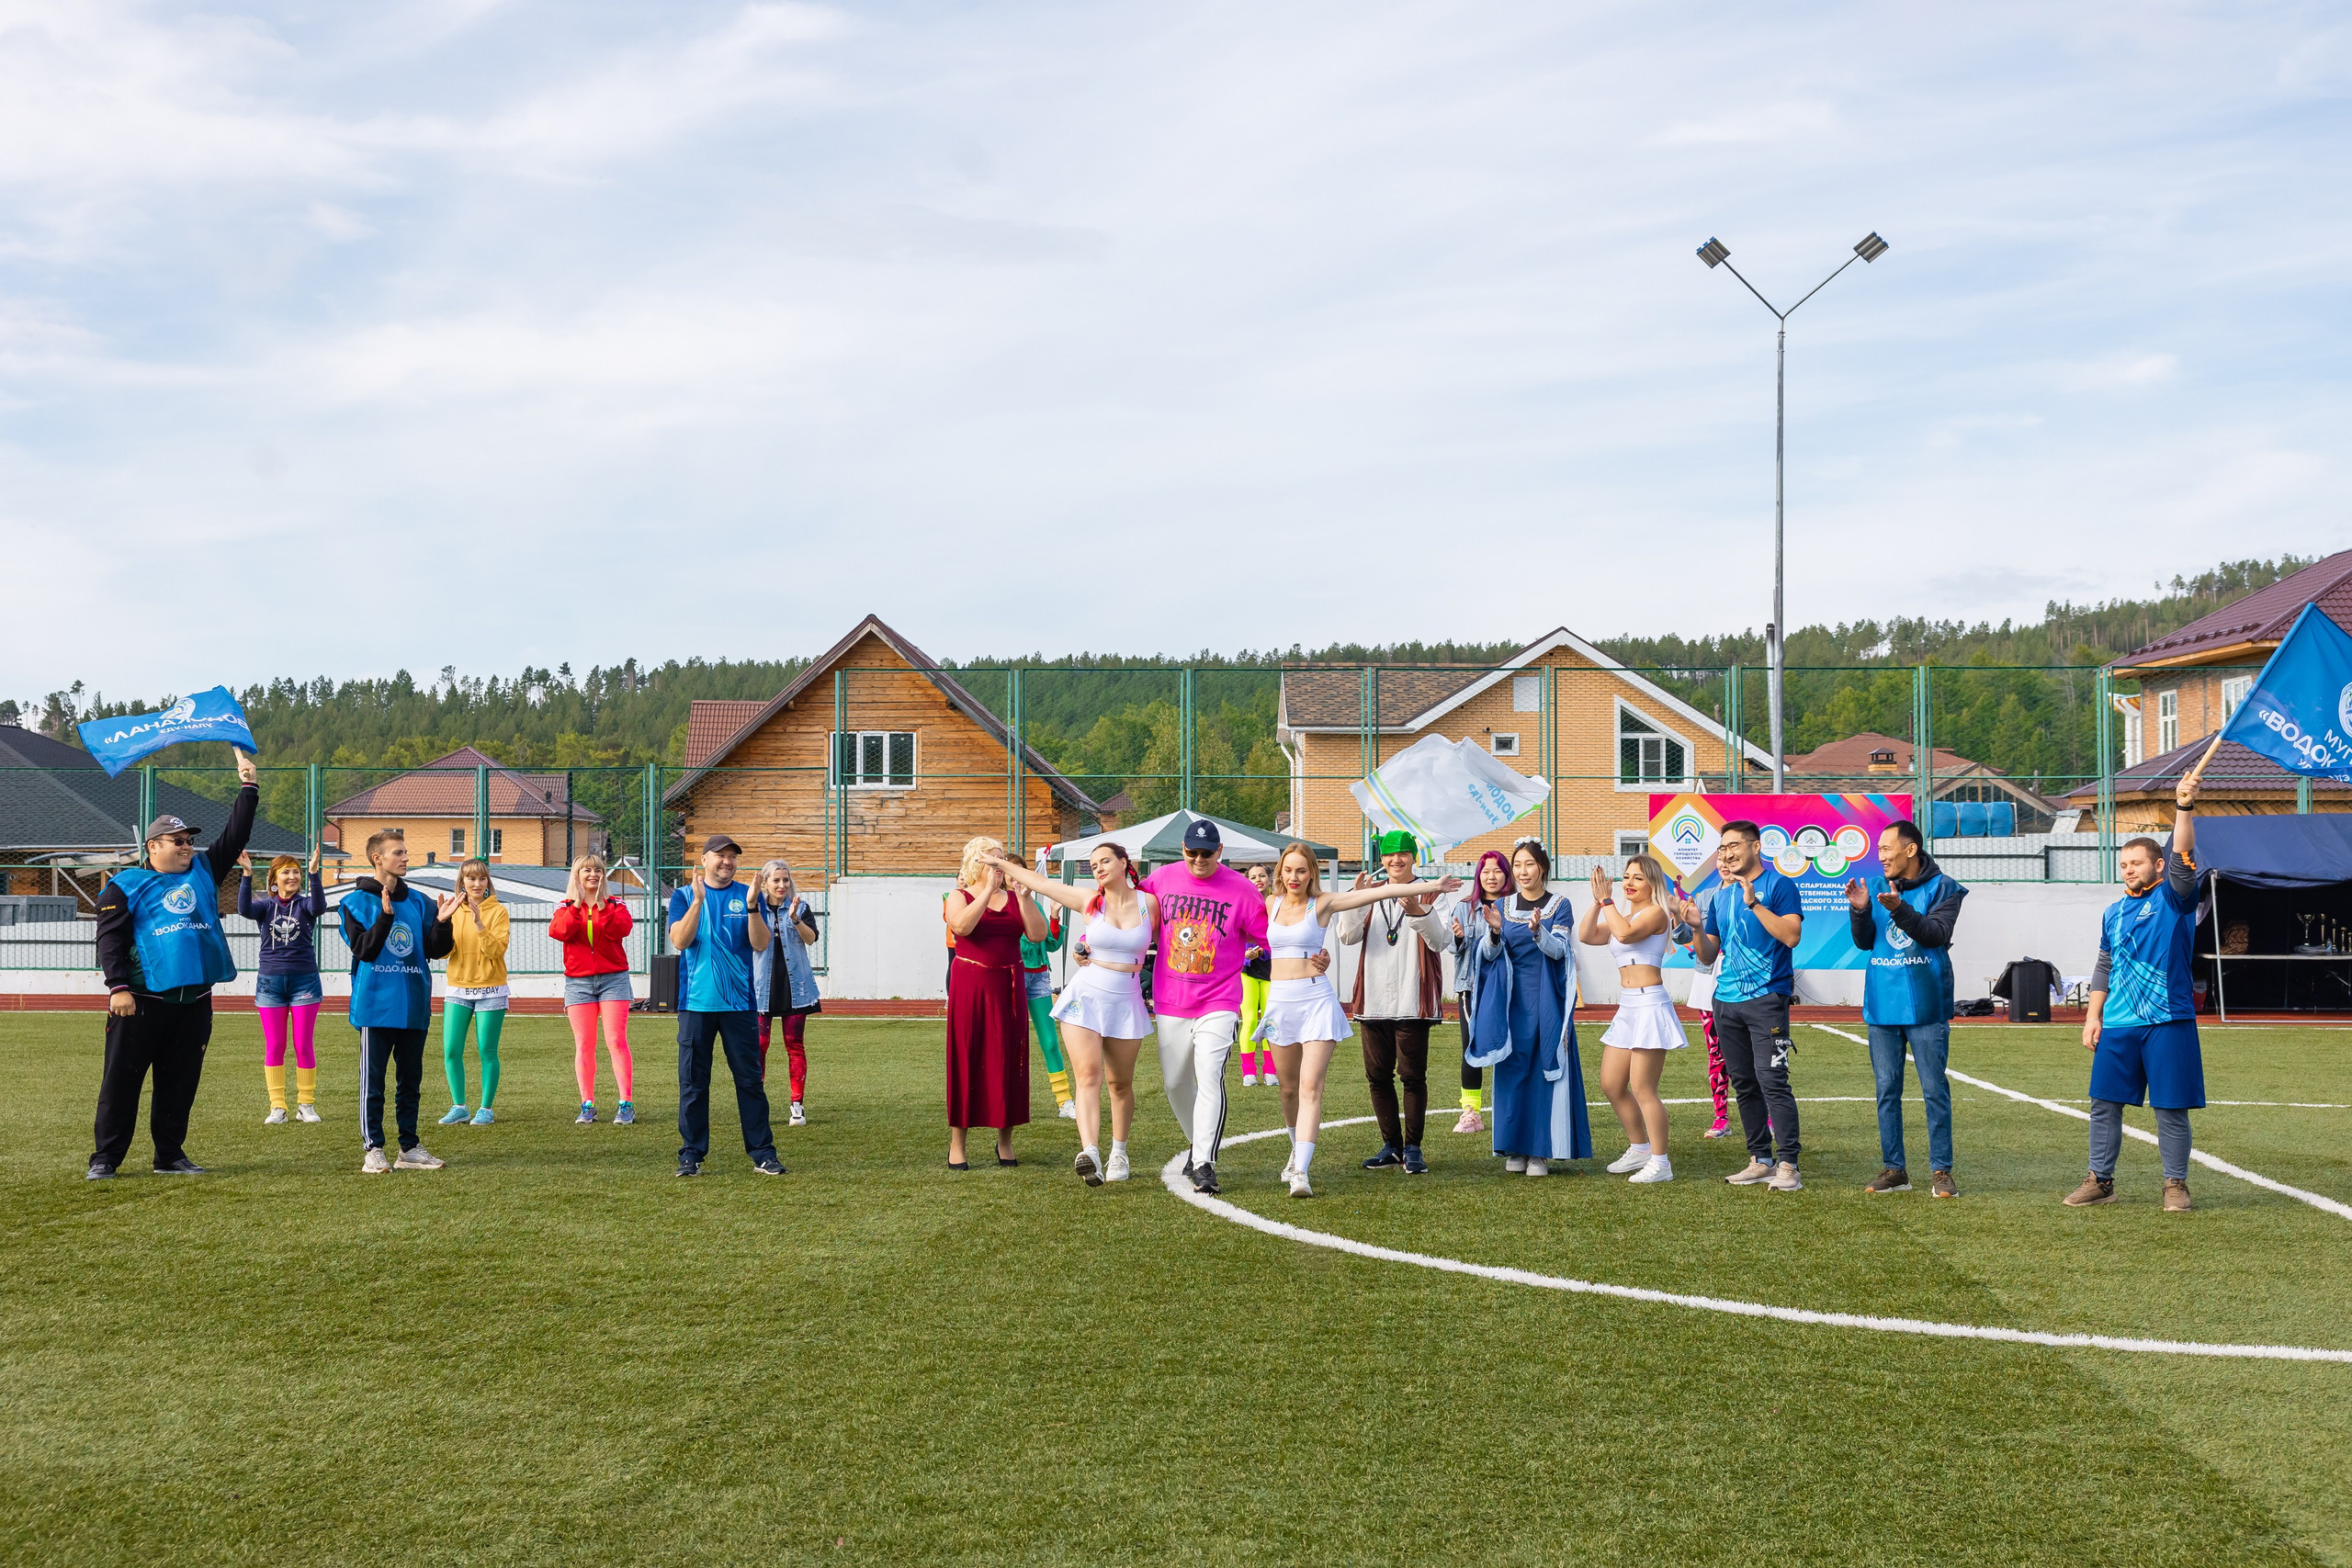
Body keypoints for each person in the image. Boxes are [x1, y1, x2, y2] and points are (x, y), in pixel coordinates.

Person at [88, 750, 262, 1179]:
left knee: (179, 1084)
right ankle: (106, 1158)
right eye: (177, 841)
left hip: (194, 1002)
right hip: (141, 1001)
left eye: (189, 841)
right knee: (121, 1082)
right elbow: (110, 940)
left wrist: (249, 787)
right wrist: (117, 987)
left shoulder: (203, 870)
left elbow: (235, 834)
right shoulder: (125, 884)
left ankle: (169, 1155)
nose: (187, 847)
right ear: (153, 846)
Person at [1260, 841, 1459, 1197]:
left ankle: (1302, 1172)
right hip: (1283, 1003)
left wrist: (1434, 886)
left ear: (1312, 873)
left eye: (1301, 870)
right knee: (1289, 1089)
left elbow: (1390, 891)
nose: (1294, 877)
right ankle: (1297, 1152)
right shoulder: (1269, 904)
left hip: (1320, 1001)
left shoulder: (1324, 902)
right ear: (1280, 873)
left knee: (1311, 1086)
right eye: (1288, 870)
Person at [2068, 766, 2206, 1212]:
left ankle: (2175, 1185)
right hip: (2119, 1024)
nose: (2129, 870)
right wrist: (2093, 1016)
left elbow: (2183, 850)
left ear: (2158, 865)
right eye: (2124, 865)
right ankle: (2100, 1181)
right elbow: (2104, 964)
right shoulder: (2112, 912)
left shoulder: (2174, 897)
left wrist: (2183, 806)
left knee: (2170, 1108)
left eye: (2137, 863)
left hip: (2168, 1020)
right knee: (2104, 1104)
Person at [986, 842, 1156, 1185]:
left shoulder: (1149, 903)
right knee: (1088, 1076)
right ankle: (1090, 1152)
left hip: (1126, 1000)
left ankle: (1119, 1153)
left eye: (1105, 861)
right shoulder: (1089, 900)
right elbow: (1041, 883)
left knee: (1119, 1083)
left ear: (1124, 863)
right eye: (1093, 865)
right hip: (1085, 996)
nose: (1098, 868)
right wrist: (998, 863)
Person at [1139, 818, 1274, 1195]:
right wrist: (1089, 941)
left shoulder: (1243, 889)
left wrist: (1307, 955)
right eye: (1192, 852)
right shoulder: (1161, 879)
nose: (1199, 859)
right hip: (1170, 1000)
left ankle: (1203, 1163)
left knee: (1210, 1077)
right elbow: (1126, 914)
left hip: (1220, 999)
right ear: (1183, 849)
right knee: (1174, 1083)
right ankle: (1196, 1143)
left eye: (1206, 853)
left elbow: (1271, 938)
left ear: (1220, 852)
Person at [1673, 820, 1804, 1191]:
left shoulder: (1779, 885)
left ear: (1755, 847)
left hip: (1767, 999)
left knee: (1773, 1080)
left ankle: (1789, 1164)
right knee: (1744, 1084)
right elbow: (1708, 955)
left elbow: (1791, 936)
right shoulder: (1721, 896)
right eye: (1722, 848)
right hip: (1726, 1001)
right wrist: (1697, 928)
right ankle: (1760, 1159)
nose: (1727, 854)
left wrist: (1755, 904)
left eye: (1734, 846)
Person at [1844, 818, 1967, 1198]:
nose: (1880, 856)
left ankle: (1941, 1171)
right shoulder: (1874, 886)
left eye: (1886, 848)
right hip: (1882, 1003)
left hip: (1926, 1005)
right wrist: (1860, 911)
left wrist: (1899, 909)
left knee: (1934, 1090)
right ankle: (1895, 1169)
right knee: (1887, 1090)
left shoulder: (1945, 888)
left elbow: (1935, 934)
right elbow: (1865, 942)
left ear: (1910, 849)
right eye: (1879, 850)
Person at [1462, 839, 1590, 1175]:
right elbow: (1489, 954)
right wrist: (1493, 933)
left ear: (1543, 868)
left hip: (1547, 1000)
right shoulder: (1501, 906)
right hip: (1510, 1002)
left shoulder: (1560, 905)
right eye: (1517, 865)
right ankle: (1513, 1147)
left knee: (1543, 1071)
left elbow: (1560, 951)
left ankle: (1539, 1152)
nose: (1522, 871)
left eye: (1529, 864)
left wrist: (1538, 933)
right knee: (1511, 1071)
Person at [341, 828, 459, 1174]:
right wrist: (385, 917)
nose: (406, 857)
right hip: (375, 1006)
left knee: (410, 1083)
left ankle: (409, 1148)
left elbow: (436, 950)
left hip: (413, 1003)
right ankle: (374, 1149)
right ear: (377, 858)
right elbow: (364, 950)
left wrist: (442, 923)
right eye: (398, 852)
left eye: (405, 852)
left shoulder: (420, 901)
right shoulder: (354, 903)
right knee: (373, 1084)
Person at [1340, 830, 1454, 1176]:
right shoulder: (1370, 891)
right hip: (1373, 998)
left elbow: (1441, 941)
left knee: (1412, 1076)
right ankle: (1391, 1146)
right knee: (1377, 1076)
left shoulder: (1431, 891)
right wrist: (1356, 900)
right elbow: (1347, 936)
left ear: (1413, 858)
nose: (1396, 860)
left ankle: (1413, 1148)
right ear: (1382, 859)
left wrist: (1420, 912)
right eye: (1389, 855)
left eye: (1403, 854)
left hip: (1412, 998)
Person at [668, 833, 782, 1178]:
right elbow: (680, 940)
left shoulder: (748, 895)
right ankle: (691, 1155)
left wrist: (752, 907)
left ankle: (763, 1154)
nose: (727, 861)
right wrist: (698, 903)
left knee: (750, 1081)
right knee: (693, 1083)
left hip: (739, 1006)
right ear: (704, 860)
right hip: (695, 1005)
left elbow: (761, 944)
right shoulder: (684, 896)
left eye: (732, 856)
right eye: (720, 855)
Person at [943, 836, 1046, 1169]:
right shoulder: (959, 896)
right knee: (967, 1056)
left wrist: (1025, 897)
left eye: (1002, 859)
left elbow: (1038, 935)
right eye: (992, 860)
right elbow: (961, 926)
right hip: (970, 986)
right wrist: (987, 890)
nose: (999, 866)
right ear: (976, 863)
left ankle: (1005, 1141)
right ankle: (958, 1144)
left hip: (1009, 986)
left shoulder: (1016, 897)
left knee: (1009, 1059)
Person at [1581, 853, 1683, 1184]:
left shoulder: (1656, 913)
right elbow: (1586, 935)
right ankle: (1640, 1148)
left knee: (1643, 1087)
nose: (1629, 883)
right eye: (1626, 876)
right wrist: (1597, 902)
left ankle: (1661, 1162)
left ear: (1652, 883)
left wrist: (1607, 901)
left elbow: (1624, 935)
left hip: (1650, 1005)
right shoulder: (1622, 915)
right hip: (1627, 1007)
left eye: (1638, 878)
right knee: (1611, 1084)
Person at [237, 840, 325, 1125]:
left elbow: (320, 906)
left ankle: (306, 1105)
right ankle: (278, 1107)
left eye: (296, 872)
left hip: (305, 982)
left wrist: (314, 873)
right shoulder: (265, 906)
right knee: (275, 1045)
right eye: (286, 872)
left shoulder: (305, 904)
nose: (292, 876)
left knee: (303, 1045)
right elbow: (243, 909)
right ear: (274, 878)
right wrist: (247, 874)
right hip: (270, 984)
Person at [549, 853, 635, 1125]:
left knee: (616, 1041)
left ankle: (626, 1105)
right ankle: (587, 1105)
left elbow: (620, 930)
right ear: (576, 876)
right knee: (584, 1044)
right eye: (586, 870)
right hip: (578, 983)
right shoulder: (564, 907)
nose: (593, 874)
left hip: (614, 980)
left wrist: (600, 905)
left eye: (597, 870)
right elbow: (559, 931)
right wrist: (577, 905)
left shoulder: (616, 905)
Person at [438, 858, 511, 1127]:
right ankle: (459, 1107)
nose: (477, 884)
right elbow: (442, 952)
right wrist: (441, 922)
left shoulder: (499, 911)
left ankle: (485, 1109)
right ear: (462, 882)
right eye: (471, 878)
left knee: (487, 1051)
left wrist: (479, 923)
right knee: (451, 1049)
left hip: (491, 988)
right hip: (458, 987)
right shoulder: (454, 910)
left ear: (488, 881)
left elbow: (496, 950)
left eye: (481, 878)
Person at [753, 861, 822, 1127]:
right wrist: (752, 907)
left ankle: (797, 1106)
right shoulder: (755, 909)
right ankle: (756, 1107)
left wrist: (794, 919)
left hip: (796, 990)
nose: (782, 885)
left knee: (794, 1045)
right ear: (765, 883)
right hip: (761, 990)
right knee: (759, 1047)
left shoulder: (800, 907)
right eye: (776, 880)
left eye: (785, 879)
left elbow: (811, 939)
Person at [1448, 851, 1510, 1135]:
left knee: (1510, 1049)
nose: (1491, 877)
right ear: (1478, 876)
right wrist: (1458, 937)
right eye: (1486, 871)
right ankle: (1470, 1112)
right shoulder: (1464, 907)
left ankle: (1510, 1109)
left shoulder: (1514, 907)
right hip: (1472, 988)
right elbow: (1453, 948)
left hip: (1507, 988)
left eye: (1497, 871)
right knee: (1471, 1048)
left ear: (1506, 875)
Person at [1014, 851, 1077, 1119]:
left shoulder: (1034, 905)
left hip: (1039, 979)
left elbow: (1051, 944)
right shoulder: (1002, 906)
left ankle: (1065, 1102)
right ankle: (1008, 1100)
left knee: (1050, 1042)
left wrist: (1053, 915)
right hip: (1013, 977)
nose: (1016, 878)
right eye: (1011, 873)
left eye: (1020, 872)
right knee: (1011, 1042)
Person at [1238, 863, 1275, 1087]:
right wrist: (1244, 955)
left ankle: (1271, 1071)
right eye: (1253, 877)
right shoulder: (1242, 904)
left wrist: (1261, 951)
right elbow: (1235, 935)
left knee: (1271, 1022)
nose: (1258, 880)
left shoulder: (1277, 904)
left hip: (1272, 970)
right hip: (1247, 971)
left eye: (1262, 875)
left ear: (1270, 880)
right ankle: (1248, 1072)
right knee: (1250, 1019)